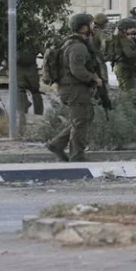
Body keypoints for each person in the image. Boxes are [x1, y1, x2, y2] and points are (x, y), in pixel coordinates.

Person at [46, 13, 102, 162]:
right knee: (80, 122)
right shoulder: (78, 47)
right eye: (91, 24)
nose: (93, 27)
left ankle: (56, 144)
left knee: (83, 119)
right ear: (83, 28)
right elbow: (77, 70)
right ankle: (77, 156)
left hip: (73, 88)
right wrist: (94, 78)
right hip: (75, 89)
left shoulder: (74, 43)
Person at [17, 44, 44, 133]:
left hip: (19, 72)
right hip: (32, 72)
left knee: (20, 92)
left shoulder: (15, 40)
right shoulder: (33, 40)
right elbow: (44, 52)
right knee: (36, 93)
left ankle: (22, 122)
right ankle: (39, 117)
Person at [112, 18, 136, 92]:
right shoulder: (124, 39)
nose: (134, 30)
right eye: (131, 28)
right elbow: (129, 54)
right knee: (127, 90)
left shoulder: (118, 37)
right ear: (125, 29)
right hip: (125, 67)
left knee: (124, 88)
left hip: (121, 66)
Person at [92, 13, 111, 83]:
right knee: (103, 80)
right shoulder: (99, 33)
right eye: (105, 23)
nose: (106, 25)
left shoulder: (91, 31)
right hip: (98, 59)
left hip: (91, 59)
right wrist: (106, 56)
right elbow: (105, 44)